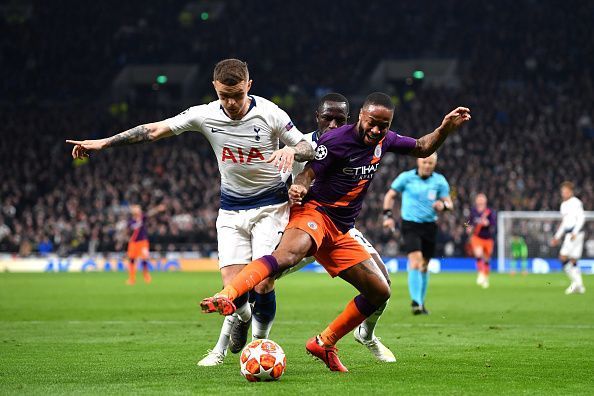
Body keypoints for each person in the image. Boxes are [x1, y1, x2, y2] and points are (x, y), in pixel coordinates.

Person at [66, 59, 315, 366]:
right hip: (231, 211)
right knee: (232, 291)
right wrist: (103, 143)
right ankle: (243, 316)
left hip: (271, 206)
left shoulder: (270, 112)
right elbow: (154, 130)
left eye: (237, 95)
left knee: (263, 281)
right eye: (225, 96)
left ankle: (260, 346)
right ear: (215, 88)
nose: (232, 102)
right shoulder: (204, 114)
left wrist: (291, 149)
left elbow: (307, 147)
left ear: (249, 85)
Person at [200, 92, 471, 372]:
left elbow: (423, 147)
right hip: (314, 214)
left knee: (380, 291)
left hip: (341, 228)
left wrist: (445, 127)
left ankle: (325, 342)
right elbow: (308, 172)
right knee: (283, 259)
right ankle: (228, 296)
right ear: (361, 118)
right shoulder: (329, 141)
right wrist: (300, 187)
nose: (377, 130)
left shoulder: (384, 140)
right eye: (373, 123)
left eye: (384, 125)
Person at [275, 92, 396, 362]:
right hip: (304, 228)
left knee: (383, 285)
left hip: (339, 229)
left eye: (339, 120)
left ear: (350, 120)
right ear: (317, 117)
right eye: (327, 118)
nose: (332, 125)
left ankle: (366, 334)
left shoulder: (358, 142)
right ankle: (228, 344)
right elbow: (277, 185)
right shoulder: (302, 145)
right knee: (264, 281)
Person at [382, 153, 453, 315]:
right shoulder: (406, 178)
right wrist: (387, 216)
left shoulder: (439, 181)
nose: (427, 165)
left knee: (424, 265)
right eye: (425, 162)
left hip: (430, 226)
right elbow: (390, 195)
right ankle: (416, 303)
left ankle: (421, 302)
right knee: (415, 262)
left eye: (430, 163)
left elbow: (450, 203)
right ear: (418, 161)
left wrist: (443, 205)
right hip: (410, 225)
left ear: (434, 164)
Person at [550, 181, 586, 294]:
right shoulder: (563, 205)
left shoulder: (576, 203)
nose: (564, 193)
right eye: (562, 191)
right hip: (570, 233)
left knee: (563, 257)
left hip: (575, 233)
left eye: (566, 191)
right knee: (573, 260)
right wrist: (557, 236)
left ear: (571, 192)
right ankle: (579, 286)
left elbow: (581, 218)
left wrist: (575, 232)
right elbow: (564, 223)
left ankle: (575, 283)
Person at [125, 203, 166, 285]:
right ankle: (132, 279)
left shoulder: (142, 218)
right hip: (133, 243)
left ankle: (146, 276)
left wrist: (158, 208)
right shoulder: (130, 221)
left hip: (143, 242)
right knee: (132, 260)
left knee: (144, 259)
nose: (139, 210)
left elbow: (150, 213)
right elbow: (128, 231)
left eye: (139, 209)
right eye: (137, 209)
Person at [467, 193, 496, 288]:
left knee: (487, 259)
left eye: (481, 199)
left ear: (485, 201)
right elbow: (467, 222)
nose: (480, 201)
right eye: (478, 199)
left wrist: (487, 223)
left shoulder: (489, 212)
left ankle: (485, 278)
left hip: (488, 238)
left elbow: (493, 223)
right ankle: (480, 273)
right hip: (477, 237)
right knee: (478, 254)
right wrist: (468, 227)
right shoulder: (473, 211)